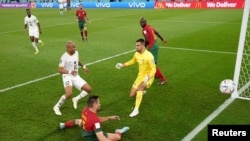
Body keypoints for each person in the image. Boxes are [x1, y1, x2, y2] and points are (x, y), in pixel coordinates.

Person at [115, 38, 156, 117]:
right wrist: (123, 65)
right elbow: (133, 61)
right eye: (136, 45)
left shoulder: (149, 56)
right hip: (140, 76)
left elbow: (154, 69)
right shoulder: (136, 54)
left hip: (148, 77)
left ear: (143, 46)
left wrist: (148, 76)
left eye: (138, 46)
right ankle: (142, 92)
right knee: (131, 95)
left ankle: (136, 109)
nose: (136, 47)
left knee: (140, 87)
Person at [59, 95, 129, 141]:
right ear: (95, 105)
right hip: (90, 136)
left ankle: (64, 125)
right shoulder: (95, 122)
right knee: (117, 137)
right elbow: (101, 138)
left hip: (84, 128)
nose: (100, 104)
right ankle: (118, 131)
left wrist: (109, 118)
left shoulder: (86, 109)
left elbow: (94, 119)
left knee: (78, 121)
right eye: (99, 103)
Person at [53, 41, 91, 116]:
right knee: (69, 94)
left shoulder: (76, 52)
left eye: (75, 46)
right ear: (68, 48)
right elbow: (60, 70)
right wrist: (70, 72)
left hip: (75, 76)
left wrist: (84, 67)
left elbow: (77, 61)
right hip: (67, 76)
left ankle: (76, 99)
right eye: (73, 47)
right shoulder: (64, 57)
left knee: (88, 89)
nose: (75, 48)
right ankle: (57, 107)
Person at [139, 17, 167, 85]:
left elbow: (147, 40)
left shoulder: (144, 30)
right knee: (151, 62)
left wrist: (143, 48)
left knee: (152, 64)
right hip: (155, 45)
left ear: (145, 22)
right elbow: (156, 32)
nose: (141, 24)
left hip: (152, 47)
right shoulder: (149, 26)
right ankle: (155, 74)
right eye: (140, 23)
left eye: (142, 22)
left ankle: (163, 79)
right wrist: (162, 39)